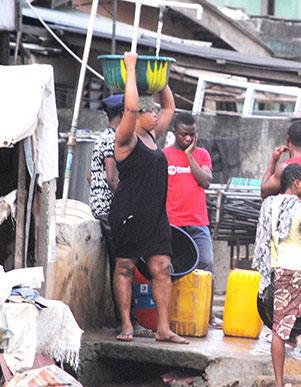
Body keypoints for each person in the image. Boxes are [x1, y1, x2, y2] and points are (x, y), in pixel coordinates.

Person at [109, 52, 187, 344]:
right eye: (150, 112)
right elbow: (129, 109)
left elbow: (170, 106)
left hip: (155, 215)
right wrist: (130, 68)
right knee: (125, 267)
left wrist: (159, 77)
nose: (156, 115)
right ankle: (127, 324)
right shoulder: (126, 137)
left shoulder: (154, 137)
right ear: (139, 115)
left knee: (162, 268)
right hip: (129, 212)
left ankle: (163, 328)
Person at [253, 164, 301, 387]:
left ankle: (280, 382)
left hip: (281, 269)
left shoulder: (270, 204)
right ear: (296, 183)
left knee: (281, 327)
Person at [88, 94, 152, 338]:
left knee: (121, 265)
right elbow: (113, 178)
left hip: (104, 208)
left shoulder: (102, 138)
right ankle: (127, 321)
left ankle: (127, 320)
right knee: (122, 266)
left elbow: (90, 177)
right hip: (111, 211)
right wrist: (130, 204)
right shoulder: (112, 140)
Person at [163, 112, 222, 329]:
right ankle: (166, 317)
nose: (187, 139)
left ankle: (208, 315)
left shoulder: (203, 155)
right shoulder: (164, 155)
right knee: (169, 270)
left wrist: (189, 157)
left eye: (192, 134)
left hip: (197, 223)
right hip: (171, 224)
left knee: (206, 265)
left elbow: (205, 181)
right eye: (183, 135)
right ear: (174, 133)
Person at [261, 121, 301, 206]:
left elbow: (264, 192)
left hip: (294, 218)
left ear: (288, 140)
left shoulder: (286, 168)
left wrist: (274, 160)